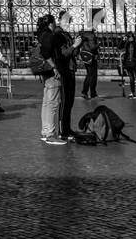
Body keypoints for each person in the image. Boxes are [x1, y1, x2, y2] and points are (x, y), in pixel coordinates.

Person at [35, 13, 67, 145]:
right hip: (52, 72)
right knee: (53, 103)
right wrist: (54, 67)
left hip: (46, 72)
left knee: (47, 102)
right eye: (54, 23)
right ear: (51, 23)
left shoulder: (41, 34)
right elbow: (46, 52)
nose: (56, 25)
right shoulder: (48, 35)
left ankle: (45, 131)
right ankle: (50, 134)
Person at [56, 12, 82, 140]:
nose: (68, 23)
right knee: (65, 101)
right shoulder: (58, 35)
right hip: (64, 71)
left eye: (69, 21)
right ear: (59, 20)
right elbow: (63, 54)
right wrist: (74, 45)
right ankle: (62, 131)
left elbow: (73, 53)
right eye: (66, 21)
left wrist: (78, 44)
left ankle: (67, 128)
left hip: (71, 69)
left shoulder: (66, 34)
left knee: (70, 101)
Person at [79, 8, 102, 100]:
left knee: (89, 75)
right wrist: (98, 44)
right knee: (92, 75)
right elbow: (93, 47)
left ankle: (85, 92)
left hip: (86, 56)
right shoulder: (91, 35)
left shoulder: (85, 34)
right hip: (92, 56)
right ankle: (92, 93)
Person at [122, 32, 136, 99]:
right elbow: (119, 47)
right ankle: (133, 93)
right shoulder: (127, 44)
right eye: (128, 37)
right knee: (131, 78)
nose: (130, 38)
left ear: (133, 37)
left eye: (130, 36)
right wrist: (122, 39)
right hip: (129, 63)